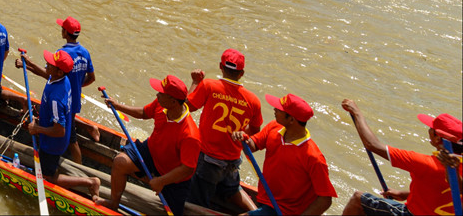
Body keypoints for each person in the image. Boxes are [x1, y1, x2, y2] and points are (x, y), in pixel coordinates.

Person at [99, 75, 201, 215]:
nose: (157, 94)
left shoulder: (190, 135)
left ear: (173, 102)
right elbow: (144, 112)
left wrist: (161, 181)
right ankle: (113, 204)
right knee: (120, 162)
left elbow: (187, 168)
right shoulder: (161, 104)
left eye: (161, 93)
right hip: (151, 151)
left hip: (173, 175)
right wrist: (117, 106)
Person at [341, 100, 462, 216]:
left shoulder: (425, 163)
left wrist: (357, 113)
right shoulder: (456, 165)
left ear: (437, 139)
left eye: (431, 129)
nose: (429, 131)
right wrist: (404, 194)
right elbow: (444, 190)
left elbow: (372, 145)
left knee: (358, 199)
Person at [233, 93, 337, 216]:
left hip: (286, 211)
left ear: (291, 119)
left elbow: (325, 199)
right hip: (267, 199)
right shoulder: (274, 127)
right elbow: (253, 145)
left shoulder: (313, 157)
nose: (274, 109)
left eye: (279, 109)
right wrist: (244, 138)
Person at [186, 49, 262, 211]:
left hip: (208, 160)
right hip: (232, 161)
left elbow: (186, 107)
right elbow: (255, 129)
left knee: (195, 205)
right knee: (233, 189)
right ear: (241, 73)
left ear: (221, 66)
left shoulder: (209, 85)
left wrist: (195, 82)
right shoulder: (253, 100)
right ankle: (256, 213)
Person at [19, 16, 97, 163]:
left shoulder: (62, 54)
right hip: (72, 100)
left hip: (61, 98)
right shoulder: (85, 52)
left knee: (71, 137)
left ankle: (78, 167)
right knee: (68, 126)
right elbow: (92, 78)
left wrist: (28, 64)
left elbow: (48, 74)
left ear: (65, 33)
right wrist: (77, 86)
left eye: (62, 28)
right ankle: (90, 128)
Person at [27, 49, 101, 197]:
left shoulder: (56, 97)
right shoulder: (62, 80)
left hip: (53, 142)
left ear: (59, 72)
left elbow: (59, 130)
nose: (47, 64)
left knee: (48, 177)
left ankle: (90, 182)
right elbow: (47, 73)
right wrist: (28, 63)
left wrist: (37, 129)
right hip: (55, 135)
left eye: (50, 64)